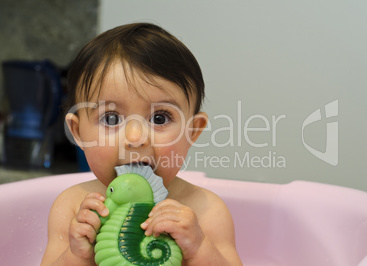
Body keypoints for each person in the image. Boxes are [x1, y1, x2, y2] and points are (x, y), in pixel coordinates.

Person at [41, 22, 242, 265]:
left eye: (160, 118)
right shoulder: (72, 209)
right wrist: (75, 255)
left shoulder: (206, 212)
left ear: (192, 132)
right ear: (78, 133)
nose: (135, 138)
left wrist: (199, 248)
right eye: (111, 118)